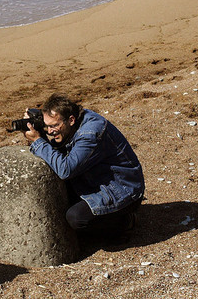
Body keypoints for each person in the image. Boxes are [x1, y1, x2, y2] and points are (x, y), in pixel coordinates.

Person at [22, 93, 145, 236]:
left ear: (71, 120)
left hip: (123, 190)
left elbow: (65, 169)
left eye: (54, 126)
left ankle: (125, 222)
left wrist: (38, 141)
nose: (50, 131)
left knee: (76, 219)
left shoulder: (90, 133)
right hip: (95, 179)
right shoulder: (73, 122)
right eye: (46, 126)